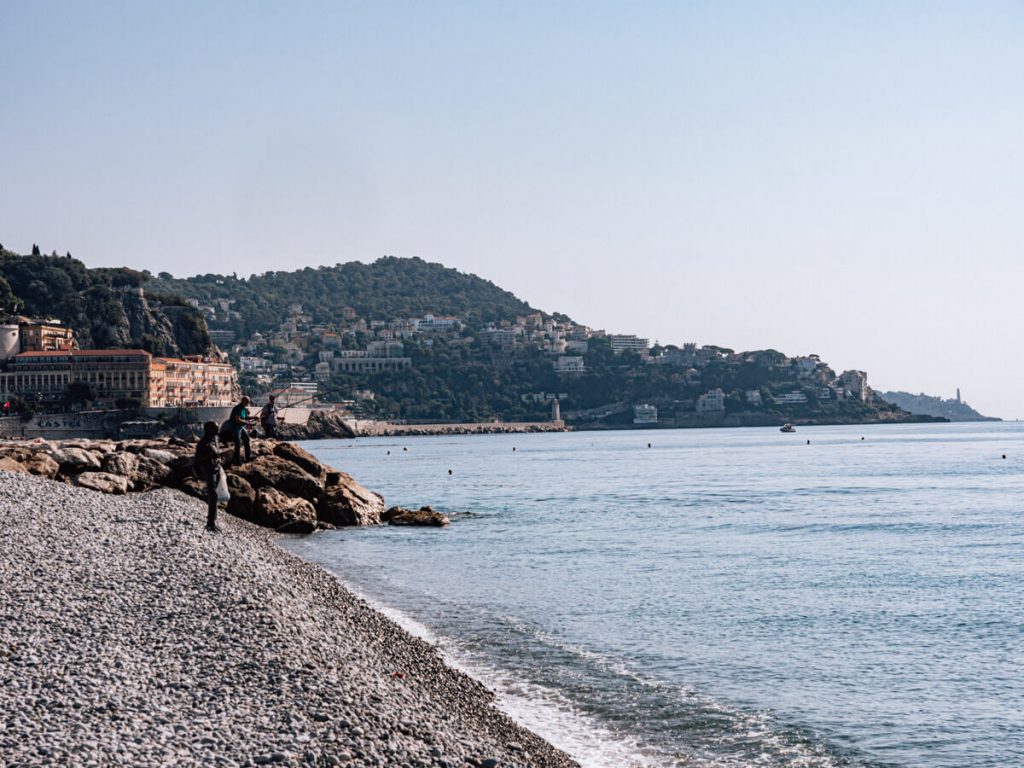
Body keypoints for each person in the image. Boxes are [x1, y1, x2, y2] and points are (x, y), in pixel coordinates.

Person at [194, 421, 224, 532]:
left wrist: (219, 458)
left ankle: (213, 520)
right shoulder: (202, 443)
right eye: (216, 428)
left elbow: (217, 452)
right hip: (207, 469)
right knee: (213, 494)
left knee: (215, 495)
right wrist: (210, 456)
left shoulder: (216, 439)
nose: (218, 430)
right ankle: (210, 523)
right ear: (209, 430)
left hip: (216, 468)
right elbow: (197, 460)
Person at [220, 396, 253, 464]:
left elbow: (245, 417)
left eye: (248, 402)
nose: (248, 403)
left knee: (246, 439)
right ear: (243, 401)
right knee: (237, 442)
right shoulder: (238, 408)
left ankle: (248, 456)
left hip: (240, 426)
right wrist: (247, 423)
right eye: (247, 402)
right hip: (235, 427)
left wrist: (254, 417)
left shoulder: (243, 408)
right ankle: (236, 460)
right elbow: (237, 420)